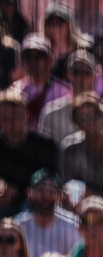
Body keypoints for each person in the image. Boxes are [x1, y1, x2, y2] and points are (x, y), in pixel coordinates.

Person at [0, 88, 59, 219]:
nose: (12, 123)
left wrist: (22, 191)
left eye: (16, 117)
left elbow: (52, 180)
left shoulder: (45, 145)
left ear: (27, 115)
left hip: (34, 205)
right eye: (6, 117)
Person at [15, 169, 80, 257]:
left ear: (60, 196)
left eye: (51, 191)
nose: (46, 196)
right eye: (40, 190)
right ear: (29, 193)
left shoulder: (72, 224)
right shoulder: (18, 225)